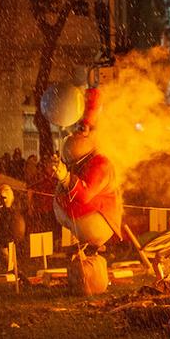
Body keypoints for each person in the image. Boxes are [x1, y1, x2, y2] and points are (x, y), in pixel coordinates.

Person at [51, 87, 122, 248]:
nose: (75, 132)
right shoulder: (76, 162)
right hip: (74, 222)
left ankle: (91, 249)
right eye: (76, 128)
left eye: (82, 129)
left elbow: (85, 195)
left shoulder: (101, 164)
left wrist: (66, 178)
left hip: (98, 220)